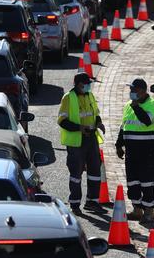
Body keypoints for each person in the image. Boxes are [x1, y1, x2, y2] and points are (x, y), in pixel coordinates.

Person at [58, 72, 106, 215]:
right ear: (79, 84)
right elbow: (62, 121)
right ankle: (75, 204)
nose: (89, 86)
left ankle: (92, 202)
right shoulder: (68, 98)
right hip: (77, 141)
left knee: (95, 171)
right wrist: (79, 128)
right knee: (76, 173)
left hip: (91, 138)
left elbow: (95, 113)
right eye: (87, 83)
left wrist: (99, 122)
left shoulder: (89, 95)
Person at [115, 78, 154, 224]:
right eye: (131, 90)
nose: (131, 93)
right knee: (132, 183)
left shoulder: (153, 104)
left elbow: (146, 121)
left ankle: (149, 212)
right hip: (132, 152)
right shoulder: (128, 106)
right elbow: (124, 126)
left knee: (147, 183)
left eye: (134, 90)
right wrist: (119, 144)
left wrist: (136, 106)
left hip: (148, 153)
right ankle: (137, 210)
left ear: (142, 91)